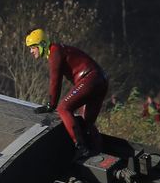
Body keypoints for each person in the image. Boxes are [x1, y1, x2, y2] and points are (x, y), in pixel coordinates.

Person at [24, 28, 108, 159]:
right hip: (100, 80)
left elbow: (55, 81)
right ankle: (98, 151)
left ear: (42, 44)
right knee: (86, 123)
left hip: (91, 78)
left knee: (63, 108)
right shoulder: (58, 50)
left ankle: (80, 147)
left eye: (32, 47)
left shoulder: (54, 52)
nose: (31, 51)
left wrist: (50, 105)